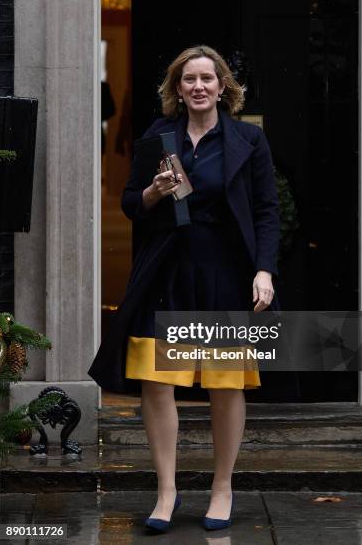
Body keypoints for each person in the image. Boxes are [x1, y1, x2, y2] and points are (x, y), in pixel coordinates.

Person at [88, 44, 280, 532]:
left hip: (225, 272)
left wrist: (264, 270)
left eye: (207, 79)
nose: (198, 86)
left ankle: (222, 488)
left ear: (223, 88)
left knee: (225, 383)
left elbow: (265, 211)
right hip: (168, 270)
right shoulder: (159, 136)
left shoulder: (247, 141)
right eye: (189, 79)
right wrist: (151, 193)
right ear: (178, 88)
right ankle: (167, 491)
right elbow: (133, 202)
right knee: (158, 381)